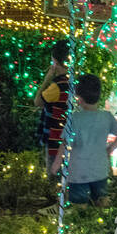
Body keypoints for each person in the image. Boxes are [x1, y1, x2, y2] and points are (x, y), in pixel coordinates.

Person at [47, 73, 117, 207]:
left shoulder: (75, 118)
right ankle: (101, 224)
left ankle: (80, 223)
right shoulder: (106, 116)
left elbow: (65, 144)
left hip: (78, 173)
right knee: (101, 203)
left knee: (79, 206)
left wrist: (55, 165)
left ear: (79, 98)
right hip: (100, 171)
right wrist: (110, 149)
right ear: (99, 95)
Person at [34, 39, 72, 170]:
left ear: (55, 62)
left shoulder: (57, 86)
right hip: (69, 138)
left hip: (55, 139)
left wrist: (46, 79)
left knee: (53, 175)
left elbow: (38, 101)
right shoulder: (72, 83)